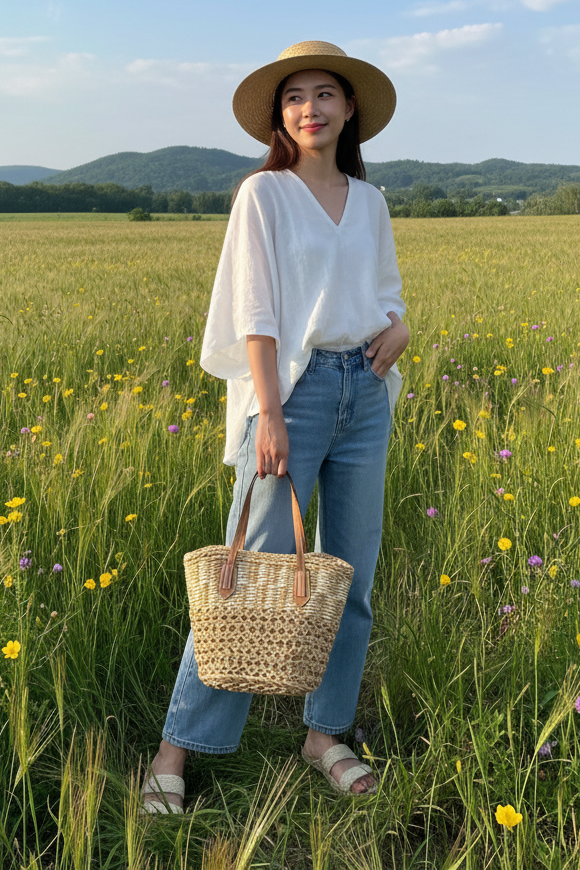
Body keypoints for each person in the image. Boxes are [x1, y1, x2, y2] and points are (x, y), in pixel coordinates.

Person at [142, 40, 409, 812]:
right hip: (293, 393)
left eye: (324, 94)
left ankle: (325, 736)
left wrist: (400, 327)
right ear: (279, 116)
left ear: (349, 108)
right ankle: (174, 750)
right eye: (295, 97)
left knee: (349, 580)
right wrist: (268, 412)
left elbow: (386, 293)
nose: (310, 109)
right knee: (245, 576)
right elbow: (253, 311)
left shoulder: (370, 201)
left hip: (366, 392)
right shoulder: (263, 193)